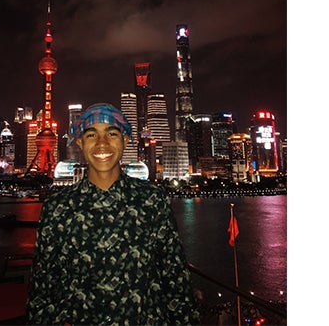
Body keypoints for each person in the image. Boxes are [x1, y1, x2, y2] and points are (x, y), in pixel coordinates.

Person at [26, 103, 200, 325]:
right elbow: (43, 289)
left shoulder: (152, 201)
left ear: (125, 140)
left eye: (112, 133)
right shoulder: (57, 208)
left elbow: (176, 282)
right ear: (79, 142)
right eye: (91, 135)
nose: (102, 143)